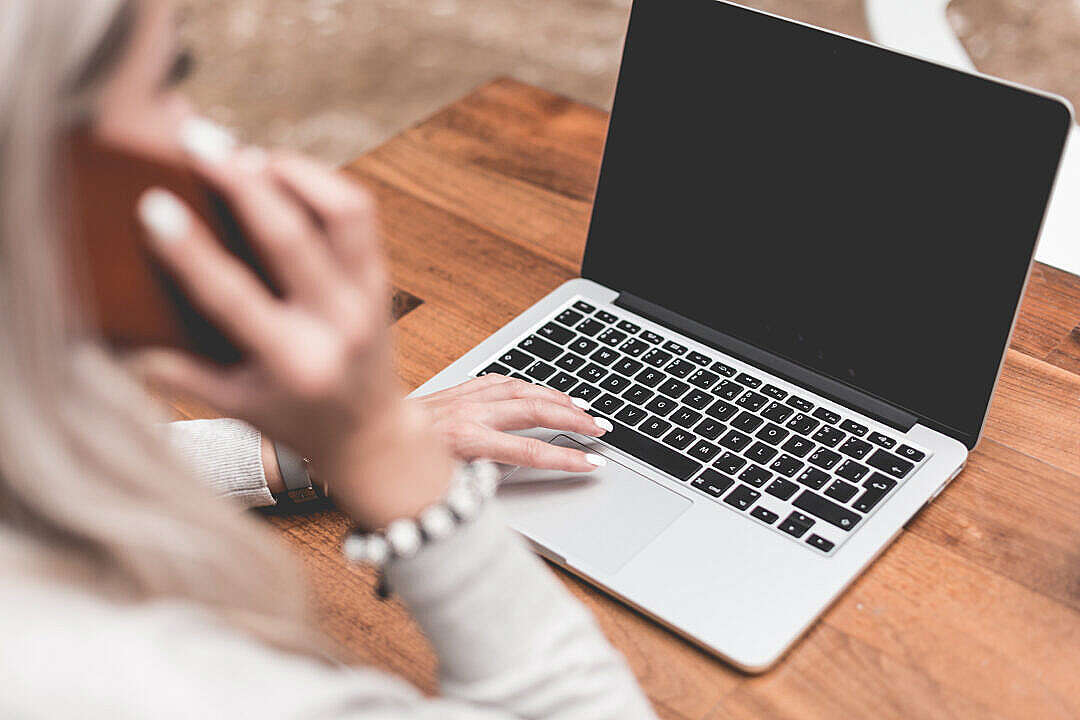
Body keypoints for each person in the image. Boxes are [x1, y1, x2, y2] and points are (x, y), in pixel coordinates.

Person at [0, 1, 658, 717]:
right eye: (169, 75)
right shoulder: (126, 678)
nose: (207, 134)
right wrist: (385, 449)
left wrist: (303, 452)